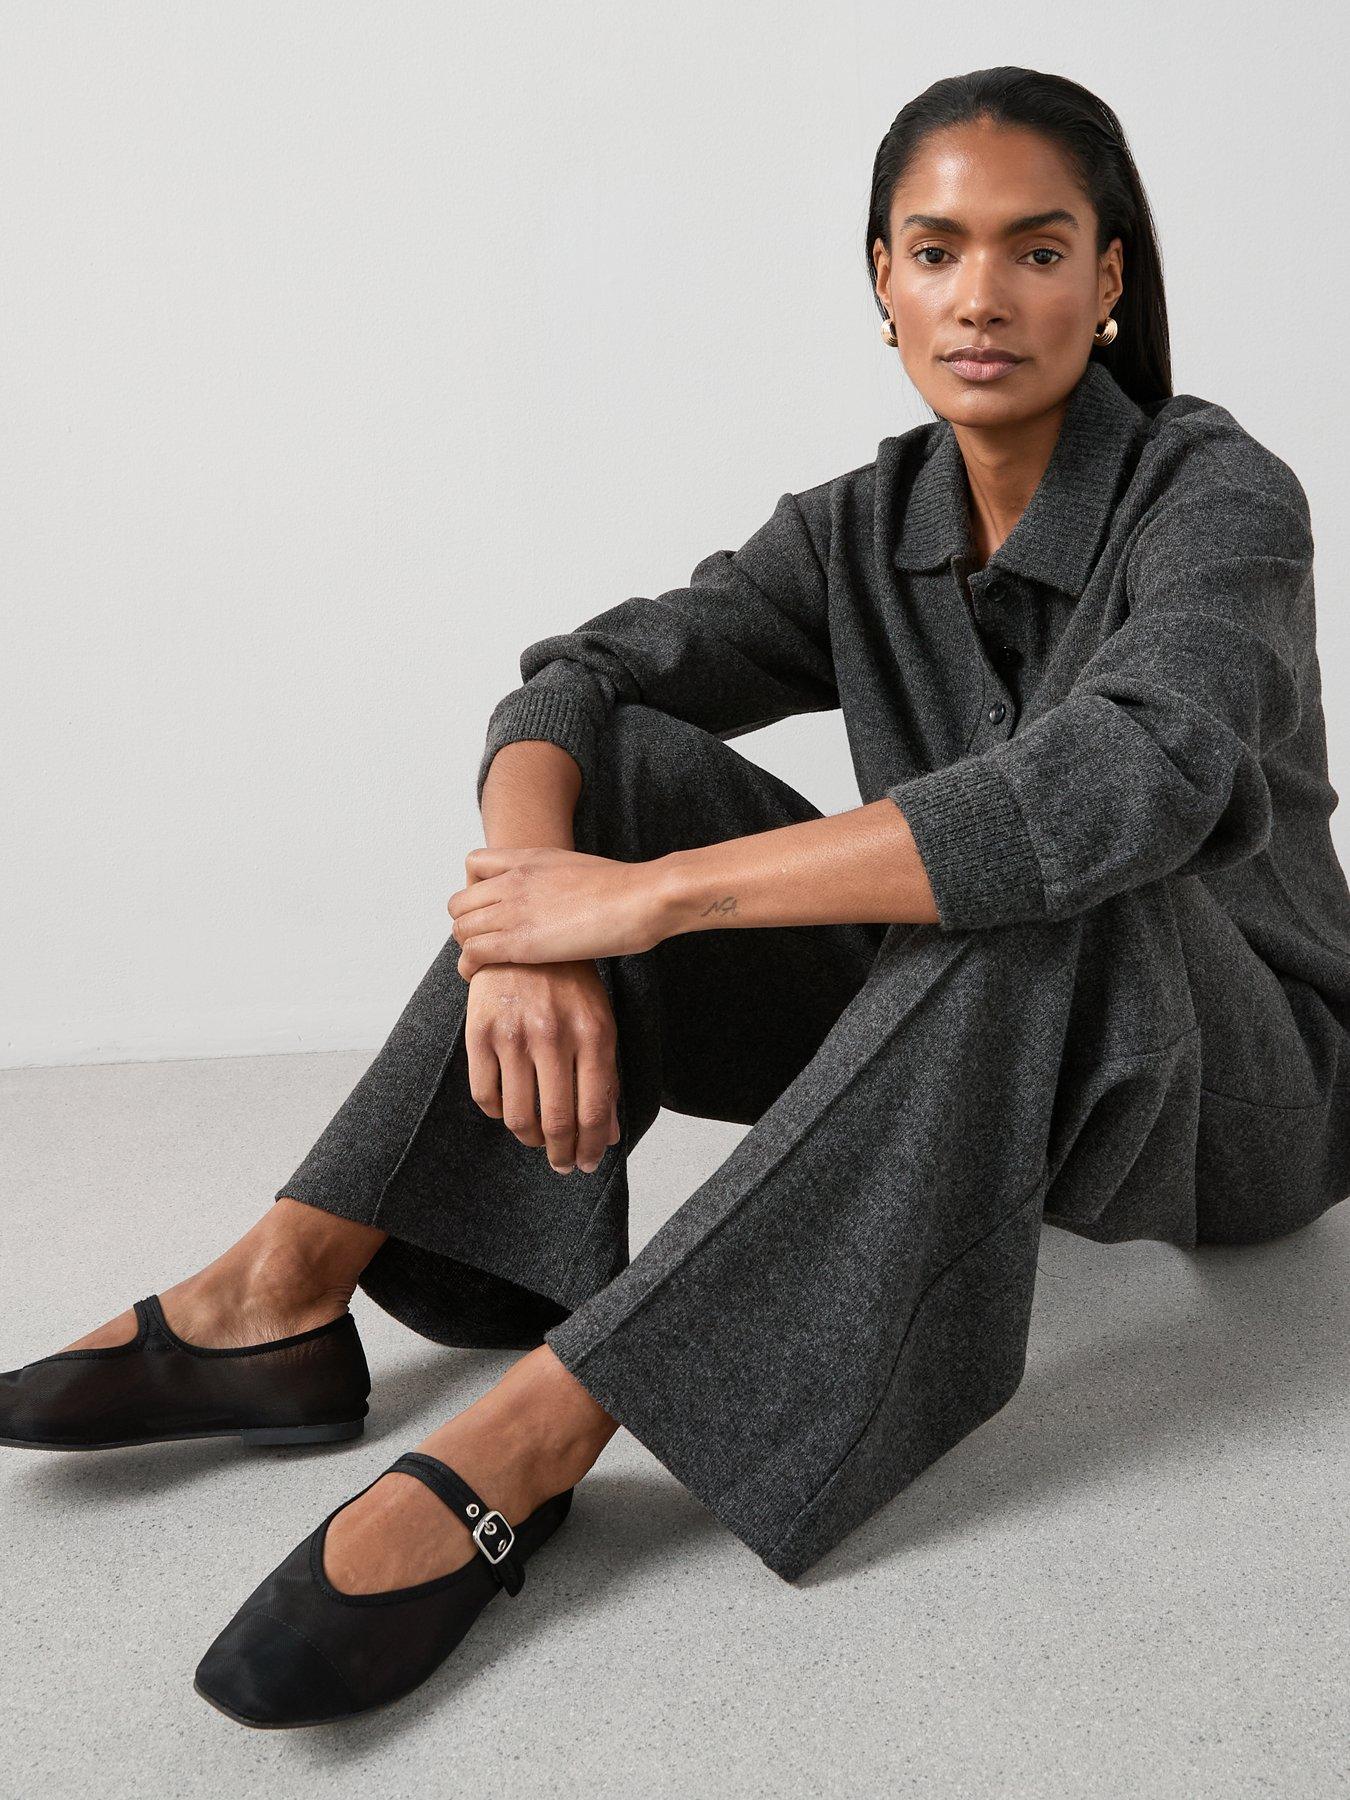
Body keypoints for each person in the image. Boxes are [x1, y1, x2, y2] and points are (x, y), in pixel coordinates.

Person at [8, 65, 1350, 1729]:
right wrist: (529, 925)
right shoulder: (863, 525)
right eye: (936, 251)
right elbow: (578, 679)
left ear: (1108, 277)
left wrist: (643, 908)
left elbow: (1124, 781)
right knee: (627, 767)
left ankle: (541, 1427)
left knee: (1047, 874)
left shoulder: (1218, 498)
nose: (981, 297)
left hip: (1247, 1095)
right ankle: (286, 1286)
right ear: (881, 281)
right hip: (982, 1041)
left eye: (1035, 248)